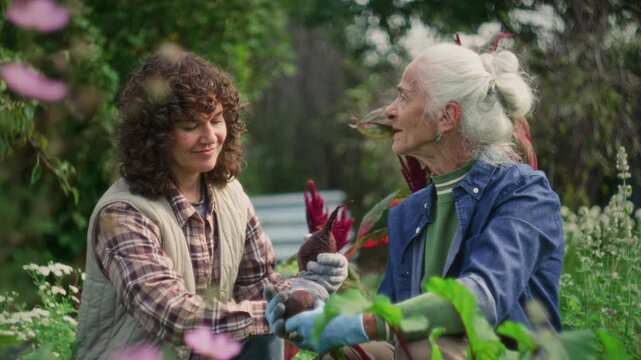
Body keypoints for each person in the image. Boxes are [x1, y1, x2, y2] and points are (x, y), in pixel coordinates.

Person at [266, 43, 564, 359]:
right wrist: (317, 301)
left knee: (422, 346)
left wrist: (351, 325)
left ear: (447, 116)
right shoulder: (410, 213)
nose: (390, 110)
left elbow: (480, 299)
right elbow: (388, 320)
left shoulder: (524, 195)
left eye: (405, 97)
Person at [75, 48, 348, 360]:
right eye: (191, 126)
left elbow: (260, 289)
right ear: (155, 135)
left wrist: (310, 286)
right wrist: (280, 312)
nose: (210, 137)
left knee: (263, 337)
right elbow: (174, 316)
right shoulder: (123, 213)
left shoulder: (230, 193)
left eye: (216, 120)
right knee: (262, 329)